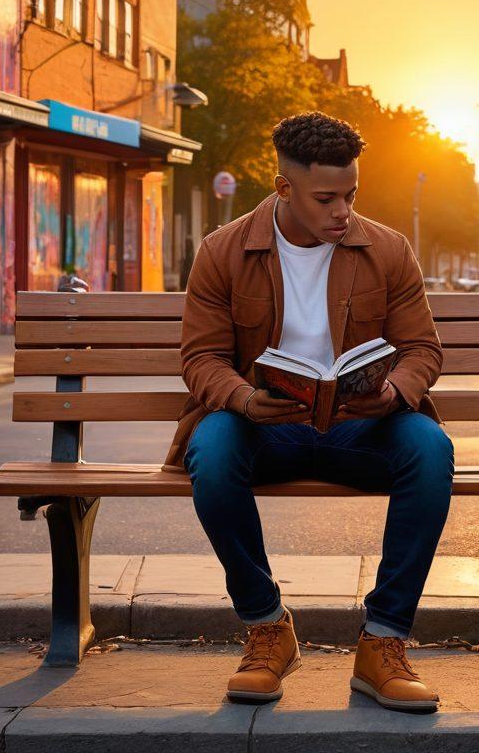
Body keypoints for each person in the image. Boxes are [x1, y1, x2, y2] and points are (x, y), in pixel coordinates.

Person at [163, 111, 453, 712]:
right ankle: (267, 626)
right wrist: (245, 399)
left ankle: (384, 642)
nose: (342, 211)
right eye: (326, 198)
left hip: (360, 429)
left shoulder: (387, 249)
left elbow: (423, 349)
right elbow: (202, 358)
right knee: (211, 449)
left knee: (430, 448)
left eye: (351, 195)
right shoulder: (223, 251)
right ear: (284, 188)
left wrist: (394, 391)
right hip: (266, 430)